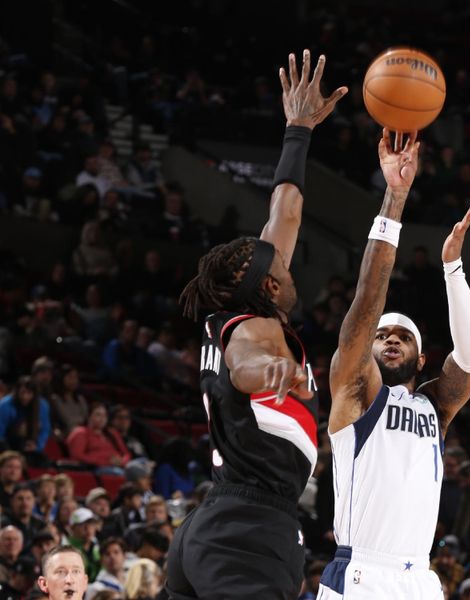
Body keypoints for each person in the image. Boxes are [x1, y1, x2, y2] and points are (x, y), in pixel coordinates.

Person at [165, 49, 346, 600]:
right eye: (281, 266)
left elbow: (285, 210)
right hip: (247, 529)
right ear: (268, 285)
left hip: (218, 523)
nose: (286, 261)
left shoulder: (240, 311)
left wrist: (298, 130)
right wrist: (269, 372)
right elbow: (245, 364)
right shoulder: (253, 328)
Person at [317, 127, 470, 599]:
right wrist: (394, 199)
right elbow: (368, 299)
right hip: (361, 573)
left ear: (421, 357)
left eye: (402, 335)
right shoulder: (354, 392)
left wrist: (453, 268)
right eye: (382, 335)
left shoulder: (436, 407)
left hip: (420, 579)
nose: (390, 339)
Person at [65, 403, 131, 473]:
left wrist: (122, 462)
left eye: (104, 415)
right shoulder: (81, 432)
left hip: (119, 466)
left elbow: (126, 454)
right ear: (89, 416)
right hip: (96, 468)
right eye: (98, 415)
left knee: (141, 463)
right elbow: (78, 456)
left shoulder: (112, 433)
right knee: (119, 473)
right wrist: (105, 462)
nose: (102, 418)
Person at [0, 377, 51, 455]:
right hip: (7, 444)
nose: (25, 397)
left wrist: (37, 446)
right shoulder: (5, 405)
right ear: (17, 392)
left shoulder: (42, 406)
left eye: (29, 393)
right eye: (22, 392)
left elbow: (45, 429)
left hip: (29, 445)